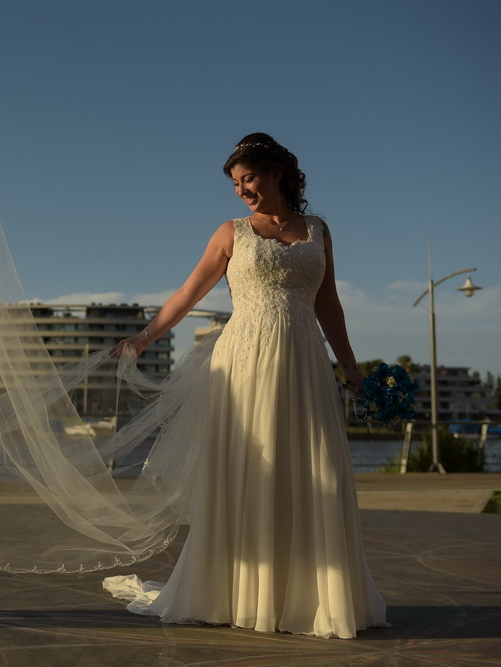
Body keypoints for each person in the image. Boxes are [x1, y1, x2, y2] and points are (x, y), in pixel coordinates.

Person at [102, 133, 388, 638]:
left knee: (313, 468)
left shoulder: (318, 230)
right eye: (236, 183)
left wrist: (352, 368)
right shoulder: (231, 232)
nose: (242, 190)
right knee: (253, 468)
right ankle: (237, 593)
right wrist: (145, 337)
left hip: (303, 362)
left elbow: (329, 305)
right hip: (246, 363)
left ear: (277, 173)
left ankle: (312, 598)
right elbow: (189, 292)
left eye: (248, 178)